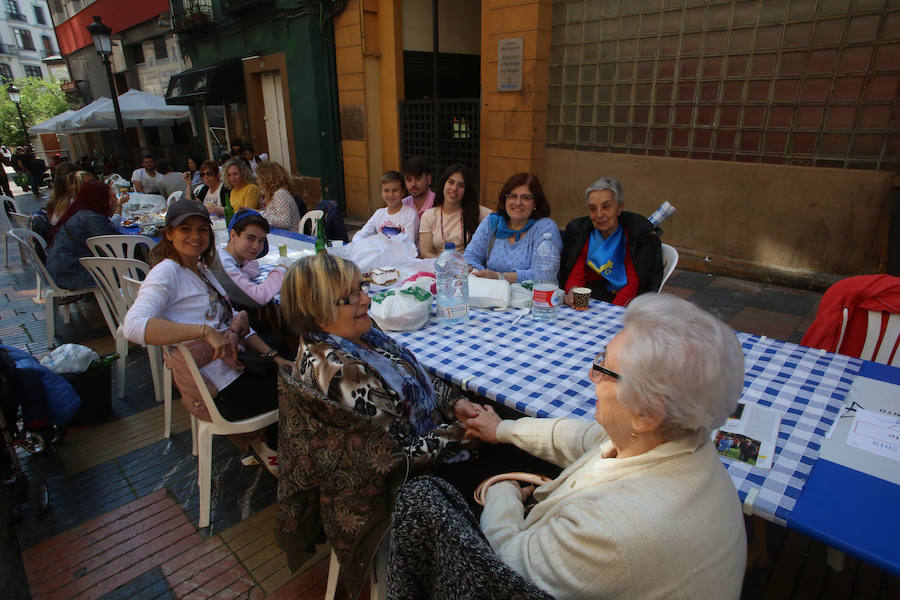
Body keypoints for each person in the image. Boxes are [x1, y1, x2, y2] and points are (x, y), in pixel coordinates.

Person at [388, 293, 748, 600]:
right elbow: (584, 438)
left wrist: (502, 494)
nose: (592, 374)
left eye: (604, 368)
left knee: (428, 497)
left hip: (527, 561)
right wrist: (503, 429)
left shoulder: (614, 531)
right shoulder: (679, 438)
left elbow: (508, 566)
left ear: (646, 414)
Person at [121, 199, 288, 474]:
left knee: (291, 364)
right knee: (303, 389)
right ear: (169, 233)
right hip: (220, 390)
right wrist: (204, 331)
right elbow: (134, 327)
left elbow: (233, 320)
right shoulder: (168, 271)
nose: (195, 236)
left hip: (235, 370)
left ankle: (264, 445)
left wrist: (275, 357)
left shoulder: (200, 269)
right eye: (185, 229)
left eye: (202, 229)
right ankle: (272, 449)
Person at [559, 177, 663, 307]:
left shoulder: (634, 239)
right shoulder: (583, 235)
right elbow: (576, 274)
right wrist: (573, 290)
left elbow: (633, 285)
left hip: (623, 303)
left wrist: (611, 311)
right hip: (590, 300)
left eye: (606, 207)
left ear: (619, 208)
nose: (599, 215)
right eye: (592, 209)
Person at [463, 173, 561, 283]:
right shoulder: (493, 222)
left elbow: (543, 276)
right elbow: (470, 256)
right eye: (512, 196)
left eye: (526, 198)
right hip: (490, 293)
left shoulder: (545, 228)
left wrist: (497, 277)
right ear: (505, 199)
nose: (518, 202)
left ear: (536, 203)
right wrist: (476, 271)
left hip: (532, 297)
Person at [45, 180, 123, 289]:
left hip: (60, 268)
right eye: (112, 197)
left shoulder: (81, 210)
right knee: (134, 271)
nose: (115, 200)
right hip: (70, 274)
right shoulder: (92, 218)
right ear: (100, 198)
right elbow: (109, 250)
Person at [213, 209, 290, 309]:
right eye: (250, 238)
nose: (256, 246)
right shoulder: (222, 263)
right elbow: (259, 297)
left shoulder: (226, 251)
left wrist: (245, 274)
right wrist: (281, 269)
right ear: (233, 235)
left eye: (261, 240)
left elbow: (253, 264)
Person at [419, 163, 491, 258]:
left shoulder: (477, 212)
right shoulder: (429, 216)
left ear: (466, 190)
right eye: (451, 182)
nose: (454, 188)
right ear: (443, 183)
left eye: (461, 186)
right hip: (436, 267)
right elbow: (426, 252)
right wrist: (446, 265)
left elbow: (500, 218)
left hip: (464, 268)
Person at [352, 170, 419, 243]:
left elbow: (408, 244)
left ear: (403, 192)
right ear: (381, 192)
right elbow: (360, 235)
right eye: (386, 191)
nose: (390, 195)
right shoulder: (379, 214)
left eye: (395, 190)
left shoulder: (410, 214)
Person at [255, 161, 300, 231]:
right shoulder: (271, 194)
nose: (257, 181)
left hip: (288, 238)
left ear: (267, 179)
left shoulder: (280, 194)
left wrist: (260, 213)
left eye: (259, 177)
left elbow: (285, 223)